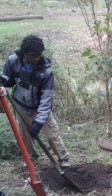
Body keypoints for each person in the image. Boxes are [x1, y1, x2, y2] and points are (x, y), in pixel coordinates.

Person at [0, 35, 70, 167]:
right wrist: (3, 80)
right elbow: (7, 79)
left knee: (51, 134)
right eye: (33, 55)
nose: (36, 58)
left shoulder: (46, 72)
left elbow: (46, 99)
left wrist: (38, 122)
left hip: (39, 107)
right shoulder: (13, 61)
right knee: (25, 134)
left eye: (39, 55)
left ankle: (63, 158)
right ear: (24, 53)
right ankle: (31, 157)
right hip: (21, 104)